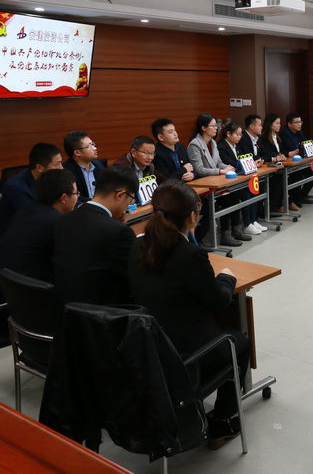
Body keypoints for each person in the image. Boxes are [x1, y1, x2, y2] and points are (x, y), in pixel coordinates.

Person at [127, 180, 249, 450]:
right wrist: (226, 278)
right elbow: (218, 301)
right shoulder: (191, 255)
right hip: (184, 355)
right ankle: (222, 423)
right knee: (239, 342)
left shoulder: (137, 244)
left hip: (147, 348)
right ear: (193, 215)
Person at [53, 165, 138, 306]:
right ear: (120, 195)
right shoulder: (118, 231)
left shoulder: (63, 219)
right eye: (131, 200)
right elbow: (136, 274)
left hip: (65, 307)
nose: (128, 206)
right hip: (104, 312)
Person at [0, 169, 78, 284]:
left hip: (9, 283)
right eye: (76, 193)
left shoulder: (26, 209)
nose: (77, 197)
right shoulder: (58, 221)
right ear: (64, 198)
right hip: (33, 288)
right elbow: (74, 257)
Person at [187, 113, 248, 247]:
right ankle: (224, 234)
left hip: (215, 182)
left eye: (216, 125)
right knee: (226, 200)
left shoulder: (213, 142)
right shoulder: (195, 144)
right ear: (203, 128)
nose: (216, 128)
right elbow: (199, 169)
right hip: (203, 185)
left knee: (234, 195)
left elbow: (218, 162)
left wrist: (229, 168)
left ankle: (235, 229)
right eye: (213, 126)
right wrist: (220, 171)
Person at [0, 142, 62, 237]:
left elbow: (69, 194)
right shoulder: (15, 187)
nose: (61, 168)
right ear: (39, 168)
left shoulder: (51, 178)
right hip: (19, 236)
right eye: (57, 164)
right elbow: (34, 216)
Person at [217, 121, 264, 237]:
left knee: (254, 191)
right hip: (228, 182)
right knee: (246, 195)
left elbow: (243, 159)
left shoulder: (237, 146)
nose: (239, 137)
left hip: (239, 179)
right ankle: (247, 224)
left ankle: (252, 220)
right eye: (237, 134)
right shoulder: (221, 147)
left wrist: (253, 163)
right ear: (228, 134)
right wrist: (247, 164)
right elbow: (230, 163)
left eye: (240, 134)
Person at [280, 112, 313, 207]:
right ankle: (293, 199)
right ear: (289, 124)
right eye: (297, 122)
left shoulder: (299, 132)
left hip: (299, 161)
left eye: (300, 122)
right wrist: (302, 147)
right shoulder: (284, 133)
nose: (299, 124)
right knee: (297, 176)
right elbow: (292, 148)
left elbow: (305, 142)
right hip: (289, 163)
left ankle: (302, 195)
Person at [261, 113, 292, 212]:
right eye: (277, 123)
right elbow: (266, 153)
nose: (279, 125)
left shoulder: (277, 137)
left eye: (280, 123)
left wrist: (282, 155)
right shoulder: (264, 138)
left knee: (292, 175)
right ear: (270, 124)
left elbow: (281, 150)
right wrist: (276, 157)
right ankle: (273, 207)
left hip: (279, 166)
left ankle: (282, 204)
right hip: (270, 167)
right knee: (279, 180)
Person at [62, 130, 104, 203]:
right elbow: (72, 198)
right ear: (77, 153)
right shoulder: (66, 171)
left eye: (93, 144)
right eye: (90, 146)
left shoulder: (98, 165)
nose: (95, 148)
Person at [152, 118, 194, 182]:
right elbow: (165, 178)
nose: (175, 134)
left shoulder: (181, 147)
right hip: (170, 187)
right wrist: (184, 169)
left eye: (175, 130)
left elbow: (190, 167)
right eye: (171, 132)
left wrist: (192, 174)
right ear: (160, 137)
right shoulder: (157, 154)